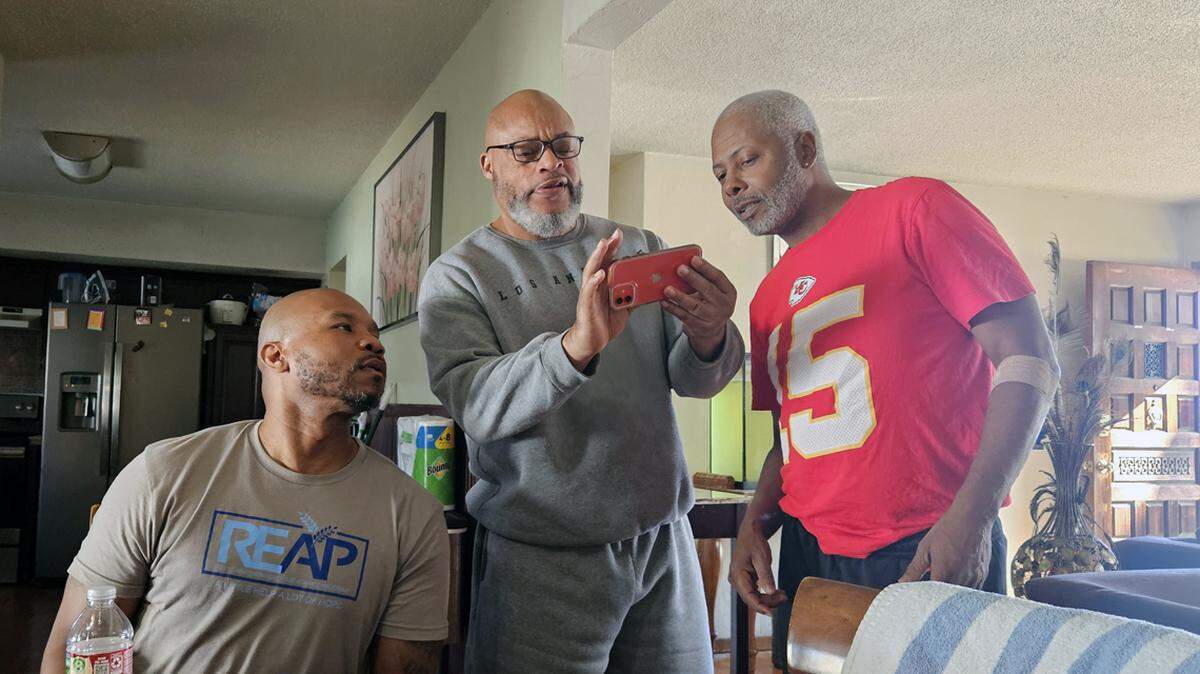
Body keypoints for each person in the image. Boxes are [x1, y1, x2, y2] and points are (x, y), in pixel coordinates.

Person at [709, 90, 1059, 669]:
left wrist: (969, 522)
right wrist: (754, 524)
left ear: (805, 147)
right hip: (809, 552)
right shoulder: (769, 296)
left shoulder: (914, 209)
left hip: (927, 541)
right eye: (720, 174)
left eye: (746, 160)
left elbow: (1030, 360)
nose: (731, 186)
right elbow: (788, 442)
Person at [418, 89, 744, 673]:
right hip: (541, 562)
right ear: (489, 164)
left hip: (664, 543)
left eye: (563, 145)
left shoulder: (638, 246)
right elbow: (476, 402)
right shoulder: (458, 276)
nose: (551, 162)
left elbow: (696, 379)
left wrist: (711, 335)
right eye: (525, 149)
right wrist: (575, 347)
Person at [40, 289, 449, 673]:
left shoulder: (413, 512)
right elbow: (74, 645)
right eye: (344, 327)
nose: (374, 343)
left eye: (375, 335)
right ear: (276, 356)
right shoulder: (163, 472)